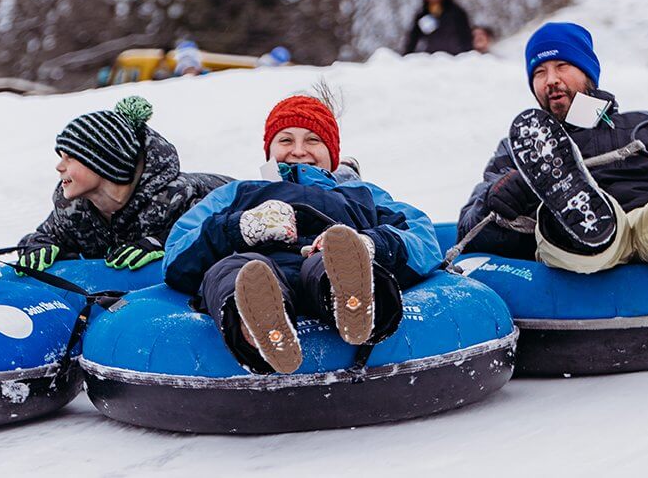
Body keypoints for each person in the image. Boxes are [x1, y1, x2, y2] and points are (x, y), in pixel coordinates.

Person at [164, 93, 442, 374]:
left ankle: (355, 303)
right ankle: (257, 327)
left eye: (313, 140)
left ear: (332, 154)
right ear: (269, 150)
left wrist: (371, 244)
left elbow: (421, 237)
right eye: (285, 140)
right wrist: (241, 227)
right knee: (236, 270)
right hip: (264, 267)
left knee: (333, 259)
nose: (298, 150)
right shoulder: (239, 193)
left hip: (323, 265)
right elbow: (177, 253)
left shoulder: (361, 194)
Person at [457, 22, 648, 274]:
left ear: (588, 72)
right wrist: (495, 200)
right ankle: (579, 216)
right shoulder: (522, 151)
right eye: (539, 73)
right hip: (586, 247)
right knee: (573, 235)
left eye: (562, 66)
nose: (551, 80)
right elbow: (471, 234)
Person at [16, 96, 231, 272]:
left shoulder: (175, 198)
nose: (59, 166)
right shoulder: (72, 208)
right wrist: (37, 245)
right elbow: (49, 233)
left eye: (70, 157)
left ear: (103, 162)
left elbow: (219, 231)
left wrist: (162, 242)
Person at [402, 0, 474, 55]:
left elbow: (466, 36)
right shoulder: (422, 14)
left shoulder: (456, 13)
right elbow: (413, 38)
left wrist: (467, 57)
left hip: (454, 58)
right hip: (432, 59)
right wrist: (406, 56)